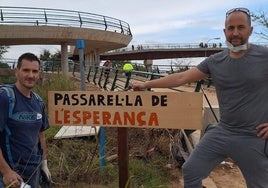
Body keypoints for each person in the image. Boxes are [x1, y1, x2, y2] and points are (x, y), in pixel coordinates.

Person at [131, 7, 268, 188]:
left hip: (254, 136)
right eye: (231, 28)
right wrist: (146, 84)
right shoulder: (215, 61)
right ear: (225, 32)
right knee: (191, 170)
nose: (235, 33)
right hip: (223, 131)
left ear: (250, 30)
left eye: (241, 27)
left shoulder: (264, 56)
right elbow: (181, 77)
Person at [0, 53, 51, 188]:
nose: (31, 75)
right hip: (11, 177)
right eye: (26, 70)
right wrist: (6, 172)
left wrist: (44, 164)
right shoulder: (5, 98)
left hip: (33, 173)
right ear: (16, 71)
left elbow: (41, 135)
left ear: (39, 74)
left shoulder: (38, 102)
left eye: (34, 71)